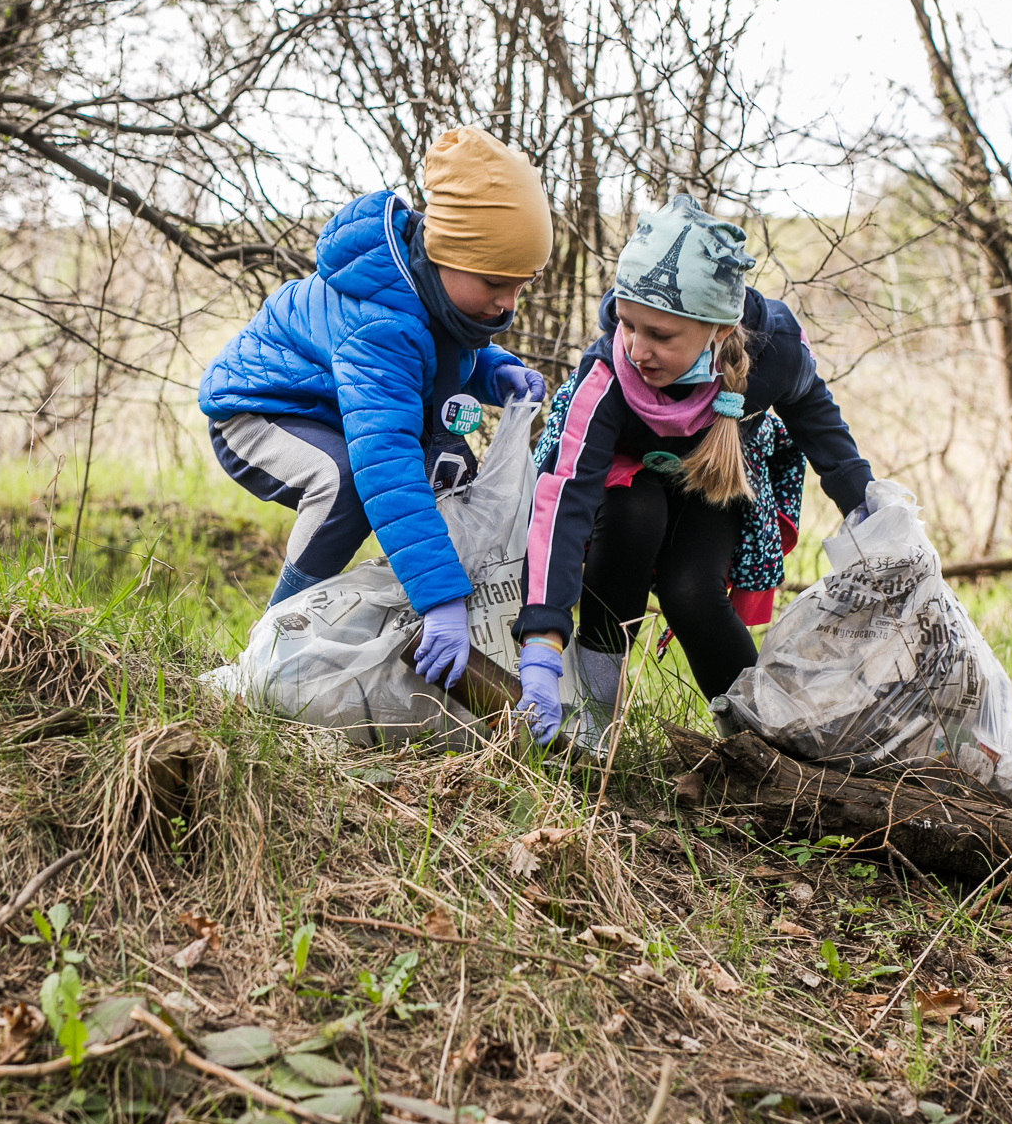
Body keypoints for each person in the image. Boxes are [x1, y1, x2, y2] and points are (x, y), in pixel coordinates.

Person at [512, 194, 873, 749]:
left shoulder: (775, 353)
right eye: (627, 324)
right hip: (626, 481)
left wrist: (868, 507)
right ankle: (593, 720)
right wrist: (541, 635)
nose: (637, 348)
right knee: (635, 516)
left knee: (691, 590)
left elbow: (821, 428)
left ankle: (764, 743)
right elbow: (564, 498)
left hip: (715, 473)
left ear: (718, 331)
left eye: (660, 335)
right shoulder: (608, 373)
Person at [199, 126, 550, 691]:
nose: (508, 303)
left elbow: (441, 358)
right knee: (346, 485)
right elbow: (385, 461)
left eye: (521, 285)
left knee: (448, 477)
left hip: (333, 409)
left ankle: (388, 646)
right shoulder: (381, 325)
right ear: (445, 254)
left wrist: (492, 369)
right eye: (495, 282)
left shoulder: (441, 296)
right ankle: (266, 657)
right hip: (257, 411)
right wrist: (440, 598)